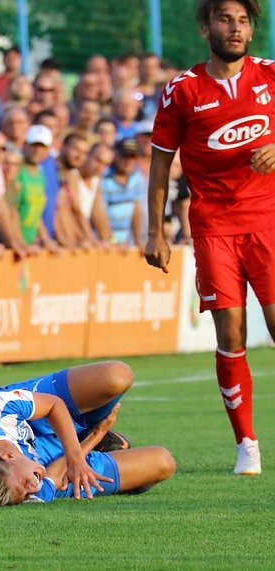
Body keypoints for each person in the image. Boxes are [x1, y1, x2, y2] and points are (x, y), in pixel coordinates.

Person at [146, 0, 275, 476]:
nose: (235, 28)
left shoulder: (271, 75)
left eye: (243, 21)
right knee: (231, 333)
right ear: (206, 27)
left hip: (269, 222)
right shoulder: (183, 90)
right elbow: (160, 161)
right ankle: (246, 443)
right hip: (214, 227)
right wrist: (155, 231)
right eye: (225, 19)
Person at [0, 361, 176, 506]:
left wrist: (75, 458)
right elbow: (54, 475)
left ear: (7, 456)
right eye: (26, 496)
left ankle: (78, 435)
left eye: (26, 485)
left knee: (117, 376)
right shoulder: (17, 494)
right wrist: (95, 437)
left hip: (39, 414)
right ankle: (89, 440)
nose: (33, 489)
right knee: (163, 462)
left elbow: (54, 406)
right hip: (50, 460)